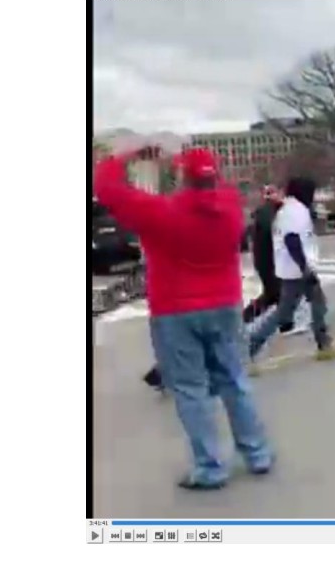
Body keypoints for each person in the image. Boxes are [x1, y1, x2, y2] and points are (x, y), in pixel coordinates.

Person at [94, 144, 273, 490]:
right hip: (225, 304)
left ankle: (210, 467)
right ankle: (257, 453)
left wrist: (126, 155)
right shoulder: (231, 208)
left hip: (175, 309)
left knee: (191, 390)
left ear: (181, 177)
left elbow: (107, 188)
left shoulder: (161, 212)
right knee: (234, 380)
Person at [247, 177, 335, 363]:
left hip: (295, 268)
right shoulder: (295, 211)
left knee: (313, 303)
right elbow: (291, 240)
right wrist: (305, 268)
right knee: (286, 312)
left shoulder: (292, 209)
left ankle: (323, 342)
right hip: (297, 269)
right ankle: (251, 345)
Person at [242, 185, 295, 333]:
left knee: (273, 295)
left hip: (269, 261)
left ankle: (247, 318)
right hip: (268, 261)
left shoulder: (273, 211)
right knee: (276, 294)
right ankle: (247, 318)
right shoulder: (267, 213)